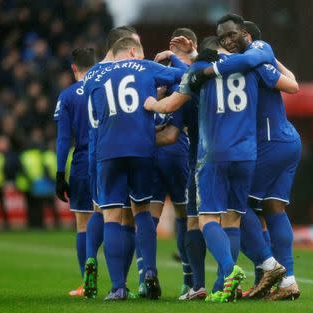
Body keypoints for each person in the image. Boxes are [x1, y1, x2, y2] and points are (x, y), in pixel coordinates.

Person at [190, 14, 301, 300]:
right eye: (223, 38)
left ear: (246, 36)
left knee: (234, 206)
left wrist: (262, 55)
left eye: (232, 36)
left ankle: (266, 265)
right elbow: (294, 83)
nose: (228, 41)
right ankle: (287, 280)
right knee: (274, 208)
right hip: (286, 139)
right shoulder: (257, 57)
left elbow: (289, 87)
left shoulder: (254, 59)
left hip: (266, 143)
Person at [91, 37, 184, 300]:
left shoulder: (97, 72)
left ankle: (118, 287)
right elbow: (187, 76)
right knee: (141, 210)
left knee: (111, 216)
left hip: (108, 150)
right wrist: (174, 59)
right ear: (133, 52)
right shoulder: (147, 67)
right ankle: (150, 274)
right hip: (142, 149)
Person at [82, 26, 141, 300]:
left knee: (106, 212)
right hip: (131, 147)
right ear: (123, 46)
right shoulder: (133, 71)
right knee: (124, 215)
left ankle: (109, 276)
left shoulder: (92, 74)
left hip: (101, 151)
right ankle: (123, 280)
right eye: (134, 45)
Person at [143, 28, 195, 299]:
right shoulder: (180, 84)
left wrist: (140, 140)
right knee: (185, 217)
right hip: (175, 156)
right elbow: (173, 134)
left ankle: (146, 277)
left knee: (147, 219)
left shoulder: (169, 84)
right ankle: (189, 280)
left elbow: (171, 132)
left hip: (161, 156)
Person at [54, 47, 96, 297]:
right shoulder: (106, 85)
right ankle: (121, 283)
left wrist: (60, 174)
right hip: (109, 158)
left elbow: (62, 139)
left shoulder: (68, 95)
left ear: (74, 68)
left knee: (83, 224)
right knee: (118, 220)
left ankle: (86, 282)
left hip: (82, 162)